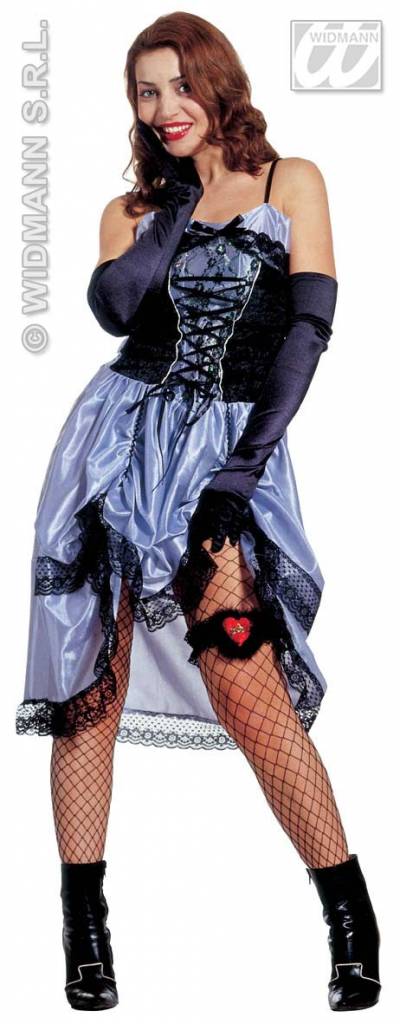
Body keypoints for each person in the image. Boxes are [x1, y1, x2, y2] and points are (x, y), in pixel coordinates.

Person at [15, 10, 381, 1014]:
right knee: (90, 687)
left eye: (181, 84)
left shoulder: (289, 181)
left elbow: (308, 332)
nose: (165, 106)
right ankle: (84, 936)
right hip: (111, 453)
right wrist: (175, 204)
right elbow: (116, 312)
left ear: (220, 83)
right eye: (146, 91)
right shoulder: (129, 209)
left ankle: (349, 914)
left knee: (246, 685)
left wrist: (239, 475)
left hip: (224, 458)